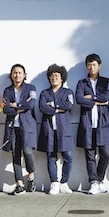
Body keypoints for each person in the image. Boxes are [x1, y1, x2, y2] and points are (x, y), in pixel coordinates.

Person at [76, 53, 109, 195]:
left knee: (106, 153)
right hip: (87, 123)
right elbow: (79, 99)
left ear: (99, 66)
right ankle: (93, 182)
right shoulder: (82, 83)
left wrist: (91, 97)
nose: (92, 67)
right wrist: (99, 101)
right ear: (87, 66)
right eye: (89, 65)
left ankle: (99, 179)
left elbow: (107, 96)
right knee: (90, 154)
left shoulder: (106, 81)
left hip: (103, 123)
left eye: (94, 64)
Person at [38, 64, 75, 195]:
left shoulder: (68, 92)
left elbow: (69, 105)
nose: (54, 78)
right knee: (51, 157)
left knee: (68, 156)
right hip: (49, 129)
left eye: (57, 76)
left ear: (62, 78)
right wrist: (58, 109)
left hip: (63, 129)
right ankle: (54, 183)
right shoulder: (44, 93)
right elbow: (42, 107)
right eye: (52, 76)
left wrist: (52, 105)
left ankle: (64, 182)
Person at [2, 64, 38, 195]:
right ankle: (19, 184)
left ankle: (31, 175)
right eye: (15, 73)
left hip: (27, 126)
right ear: (11, 75)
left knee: (27, 152)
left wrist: (15, 105)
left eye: (20, 73)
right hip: (12, 127)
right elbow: (5, 108)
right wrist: (20, 107)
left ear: (24, 75)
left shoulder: (31, 88)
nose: (17, 75)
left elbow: (31, 104)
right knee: (15, 154)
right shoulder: (7, 90)